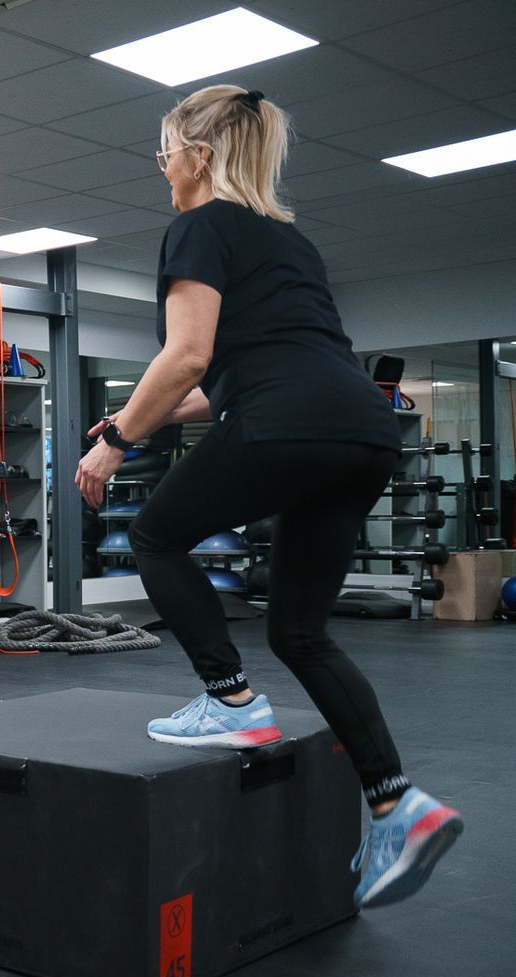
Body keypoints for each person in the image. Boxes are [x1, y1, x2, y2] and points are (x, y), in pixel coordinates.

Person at [70, 86, 463, 908]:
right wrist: (141, 412)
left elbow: (186, 355)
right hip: (361, 431)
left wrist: (114, 443)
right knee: (301, 632)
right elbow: (226, 378)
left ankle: (230, 701)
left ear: (199, 156)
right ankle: (397, 802)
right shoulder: (290, 242)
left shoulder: (198, 225)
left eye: (166, 149)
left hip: (289, 424)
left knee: (156, 536)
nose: (161, 165)